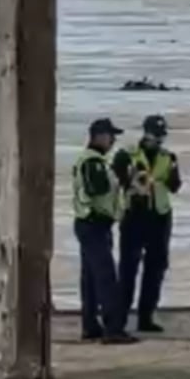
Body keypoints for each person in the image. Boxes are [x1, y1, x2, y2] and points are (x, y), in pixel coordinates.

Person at [112, 114, 182, 333]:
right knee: (128, 269)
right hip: (134, 216)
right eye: (154, 134)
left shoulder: (168, 156)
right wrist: (133, 179)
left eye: (161, 135)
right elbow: (116, 178)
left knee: (156, 268)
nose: (158, 139)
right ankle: (119, 318)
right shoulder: (128, 154)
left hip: (160, 216)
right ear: (145, 132)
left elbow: (175, 185)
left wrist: (166, 177)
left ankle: (146, 317)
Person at [73, 118, 137, 345]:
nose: (113, 141)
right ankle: (113, 329)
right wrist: (119, 176)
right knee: (106, 277)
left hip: (93, 224)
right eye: (111, 136)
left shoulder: (96, 161)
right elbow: (97, 189)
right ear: (99, 136)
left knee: (90, 279)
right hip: (93, 224)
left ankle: (91, 326)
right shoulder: (92, 162)